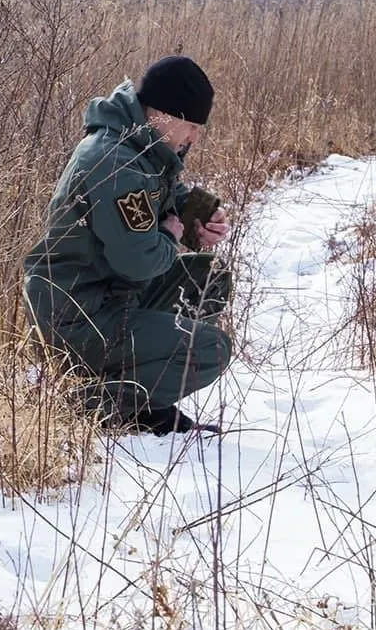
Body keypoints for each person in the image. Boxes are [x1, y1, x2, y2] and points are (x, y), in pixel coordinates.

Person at [24, 56, 234, 435]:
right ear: (165, 114)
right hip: (78, 317)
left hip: (110, 297)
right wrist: (170, 236)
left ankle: (143, 399)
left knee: (210, 277)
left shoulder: (138, 144)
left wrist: (196, 221)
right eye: (191, 126)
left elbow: (161, 200)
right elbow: (140, 260)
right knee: (212, 350)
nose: (194, 138)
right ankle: (87, 403)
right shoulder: (115, 160)